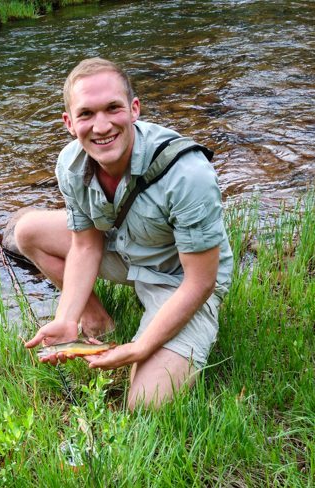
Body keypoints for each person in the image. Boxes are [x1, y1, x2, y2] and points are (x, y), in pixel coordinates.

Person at [14, 58, 233, 410]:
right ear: (69, 123)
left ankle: (164, 327)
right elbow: (85, 246)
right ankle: (96, 320)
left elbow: (201, 281)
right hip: (129, 253)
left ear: (133, 109)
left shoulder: (187, 173)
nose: (101, 126)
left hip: (179, 279)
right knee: (28, 231)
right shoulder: (70, 165)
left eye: (112, 108)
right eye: (86, 114)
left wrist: (142, 348)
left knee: (144, 403)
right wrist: (66, 317)